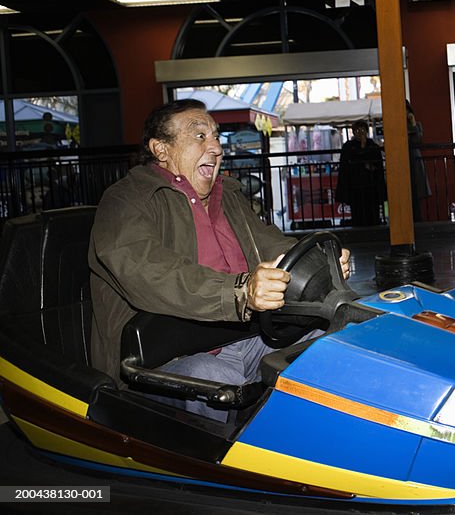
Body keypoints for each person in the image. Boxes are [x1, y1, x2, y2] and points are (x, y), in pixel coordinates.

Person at [89, 99, 351, 421]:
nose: (215, 147)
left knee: (328, 344)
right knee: (213, 376)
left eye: (216, 136)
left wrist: (322, 264)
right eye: (199, 136)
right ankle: (224, 467)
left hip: (247, 337)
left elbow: (270, 243)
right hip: (162, 356)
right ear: (161, 149)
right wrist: (239, 292)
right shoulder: (127, 200)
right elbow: (147, 270)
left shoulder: (227, 196)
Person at [336, 120, 384, 226]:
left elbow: (377, 164)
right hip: (355, 185)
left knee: (372, 210)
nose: (360, 132)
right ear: (353, 132)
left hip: (371, 185)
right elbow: (347, 164)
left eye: (363, 130)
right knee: (358, 211)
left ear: (367, 131)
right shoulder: (348, 146)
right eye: (357, 130)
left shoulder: (373, 146)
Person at [406, 100, 431, 221]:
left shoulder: (417, 125)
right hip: (403, 159)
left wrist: (413, 123)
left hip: (414, 159)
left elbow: (418, 140)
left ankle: (418, 218)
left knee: (417, 189)